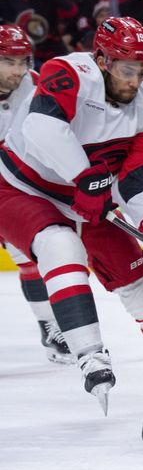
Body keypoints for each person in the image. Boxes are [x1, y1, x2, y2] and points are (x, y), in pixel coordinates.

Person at [0, 17, 143, 413]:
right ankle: (90, 355)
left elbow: (137, 173)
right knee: (59, 245)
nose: (136, 80)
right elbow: (41, 129)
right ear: (101, 60)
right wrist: (84, 177)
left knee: (138, 281)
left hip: (84, 197)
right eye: (128, 70)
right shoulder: (68, 73)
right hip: (18, 187)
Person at [0, 24, 72, 365]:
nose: (17, 69)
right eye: (8, 61)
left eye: (21, 60)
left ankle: (50, 325)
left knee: (28, 254)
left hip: (14, 186)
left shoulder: (36, 84)